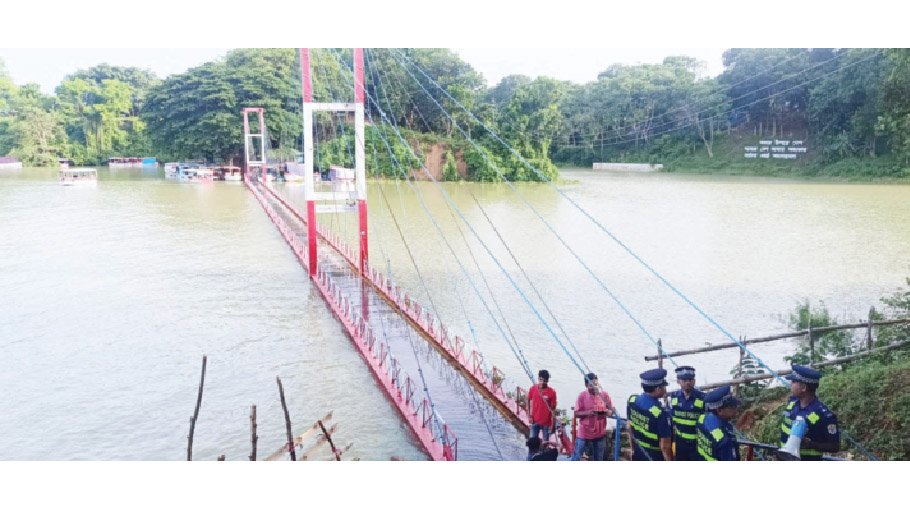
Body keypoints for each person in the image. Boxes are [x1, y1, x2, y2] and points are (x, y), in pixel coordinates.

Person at [779, 364, 840, 460]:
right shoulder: (792, 403)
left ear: (803, 387)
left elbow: (834, 447)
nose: (791, 384)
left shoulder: (824, 415)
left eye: (794, 381)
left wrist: (810, 444)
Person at [626, 368, 673, 461]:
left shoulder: (632, 400)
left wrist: (632, 449)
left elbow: (629, 427)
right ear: (658, 389)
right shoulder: (660, 413)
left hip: (638, 451)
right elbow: (665, 446)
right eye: (664, 387)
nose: (665, 389)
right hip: (654, 455)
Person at [570, 372, 614, 461]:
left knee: (599, 458)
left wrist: (610, 412)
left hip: (600, 433)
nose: (594, 387)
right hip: (584, 433)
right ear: (586, 385)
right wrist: (589, 413)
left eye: (596, 384)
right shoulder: (581, 396)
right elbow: (576, 413)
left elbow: (612, 408)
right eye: (591, 385)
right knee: (577, 456)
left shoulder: (604, 395)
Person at [669, 365, 705, 461]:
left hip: (697, 443)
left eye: (690, 380)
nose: (688, 382)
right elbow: (671, 420)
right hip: (680, 443)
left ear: (694, 381)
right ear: (678, 381)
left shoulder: (702, 398)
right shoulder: (674, 397)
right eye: (684, 380)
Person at [696, 385, 741, 461]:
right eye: (732, 407)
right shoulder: (724, 439)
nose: (736, 410)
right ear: (719, 410)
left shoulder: (702, 418)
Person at [526, 369, 557, 444]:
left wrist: (553, 424)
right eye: (540, 380)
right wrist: (529, 415)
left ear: (547, 381)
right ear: (538, 379)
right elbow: (528, 400)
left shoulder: (552, 392)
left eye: (544, 381)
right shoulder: (533, 389)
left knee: (545, 444)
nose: (542, 382)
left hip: (546, 423)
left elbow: (553, 410)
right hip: (534, 421)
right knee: (532, 443)